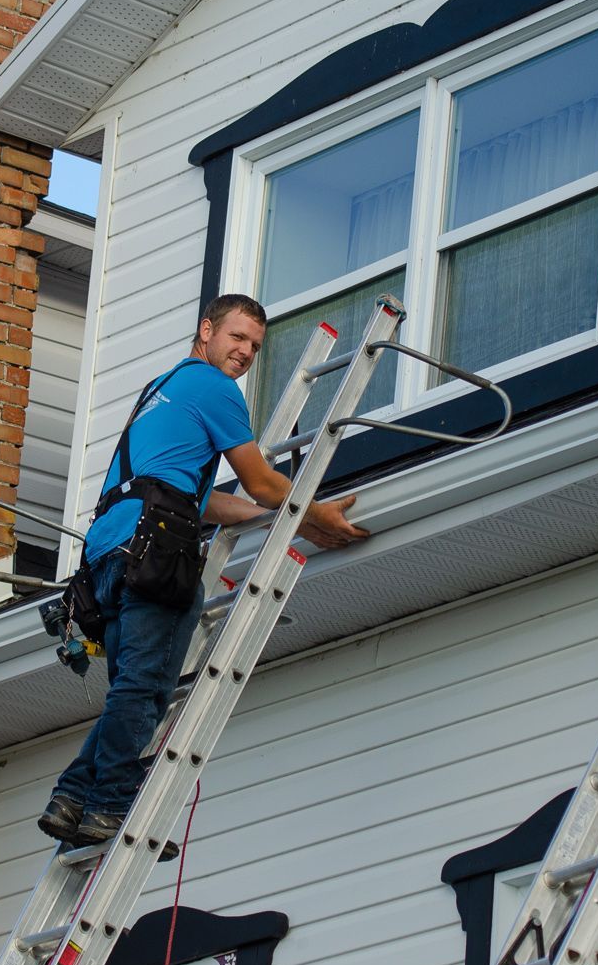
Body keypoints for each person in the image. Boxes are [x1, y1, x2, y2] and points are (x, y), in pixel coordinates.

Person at [39, 295, 370, 847]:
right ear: (207, 329)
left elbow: (203, 501)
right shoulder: (215, 388)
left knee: (132, 689)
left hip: (108, 554)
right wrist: (313, 515)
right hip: (153, 551)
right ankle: (108, 804)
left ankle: (72, 796)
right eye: (237, 337)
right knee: (146, 689)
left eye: (255, 346)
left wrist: (281, 520)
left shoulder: (162, 389)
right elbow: (261, 481)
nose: (245, 352)